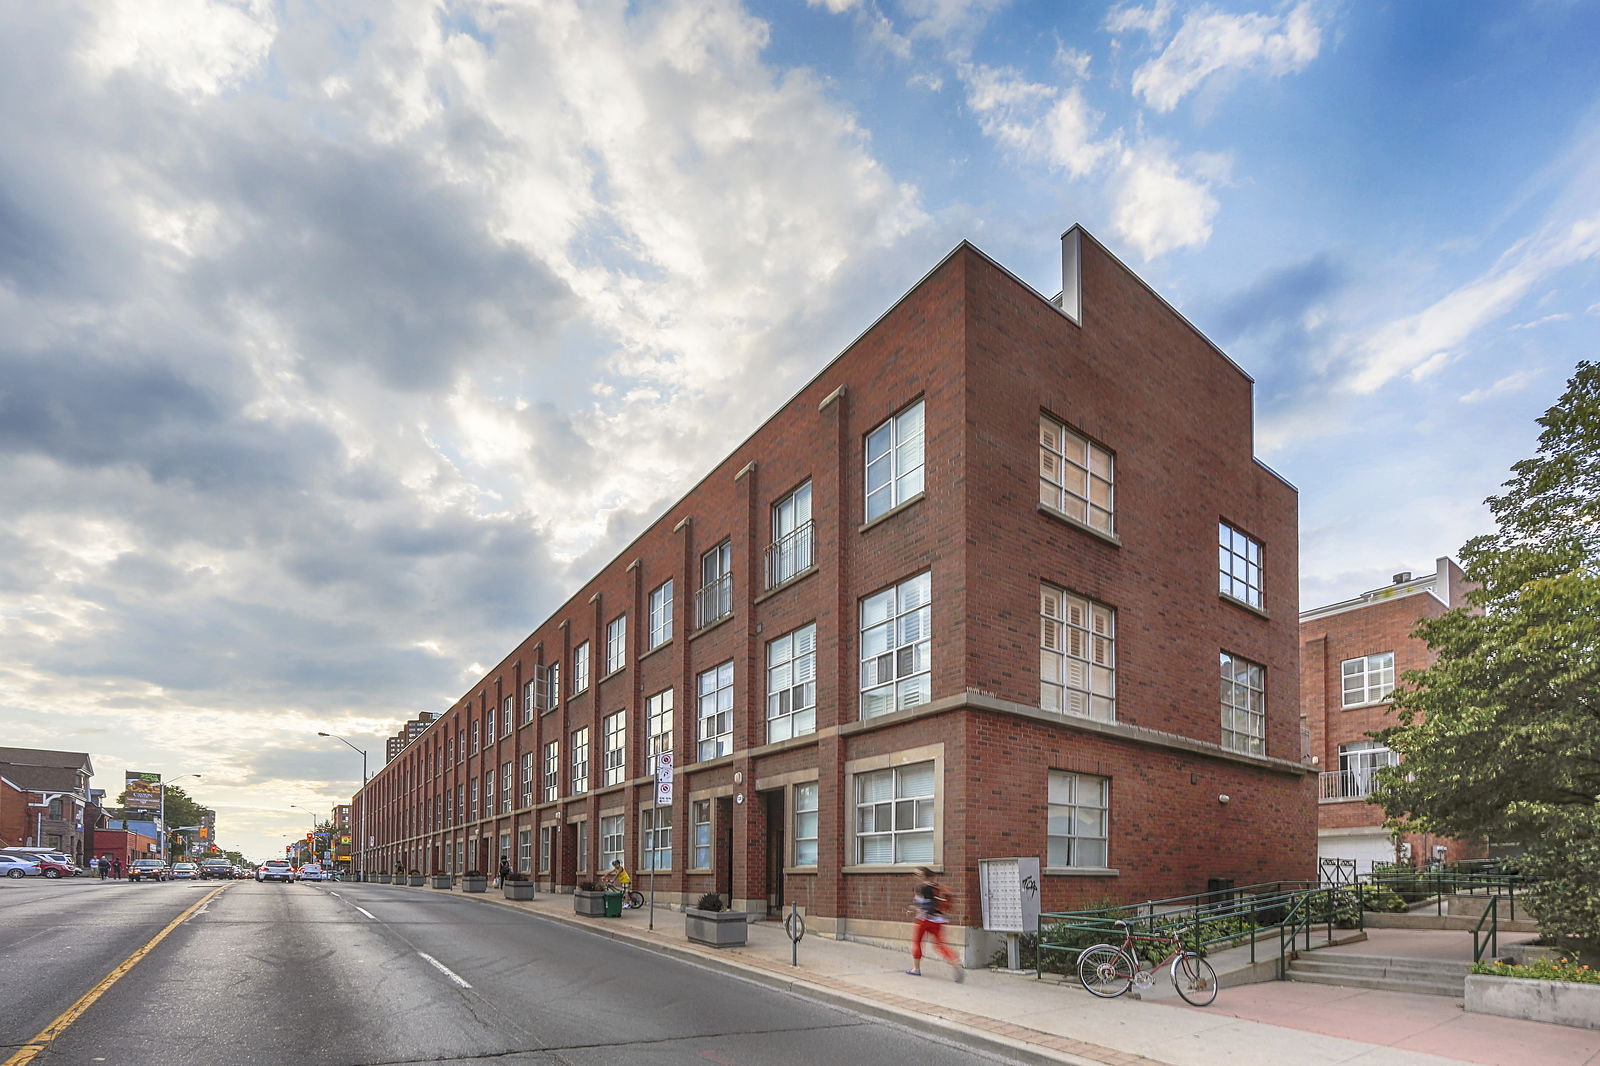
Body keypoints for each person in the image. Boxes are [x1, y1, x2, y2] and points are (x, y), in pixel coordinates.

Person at [905, 866, 963, 982]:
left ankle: (916, 969)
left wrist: (913, 909)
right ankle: (955, 962)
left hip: (924, 920)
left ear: (923, 876)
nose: (915, 876)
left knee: (917, 942)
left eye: (917, 874)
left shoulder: (922, 888)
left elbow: (925, 906)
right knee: (940, 945)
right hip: (938, 920)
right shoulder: (937, 887)